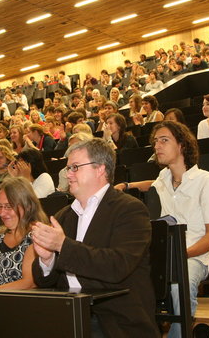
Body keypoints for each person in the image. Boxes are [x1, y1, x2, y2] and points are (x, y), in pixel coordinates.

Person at [31, 138, 159, 337]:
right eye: (68, 168)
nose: (68, 174)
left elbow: (117, 266)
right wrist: (47, 260)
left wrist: (62, 246)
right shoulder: (64, 215)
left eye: (75, 167)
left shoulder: (130, 209)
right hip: (67, 313)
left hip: (113, 317)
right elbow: (45, 281)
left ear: (100, 169)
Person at [150, 121, 209, 338]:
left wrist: (180, 255)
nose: (157, 146)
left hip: (193, 257)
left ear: (182, 145)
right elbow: (149, 184)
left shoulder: (208, 182)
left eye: (164, 140)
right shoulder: (163, 178)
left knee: (178, 286)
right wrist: (126, 186)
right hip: (164, 256)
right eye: (156, 141)